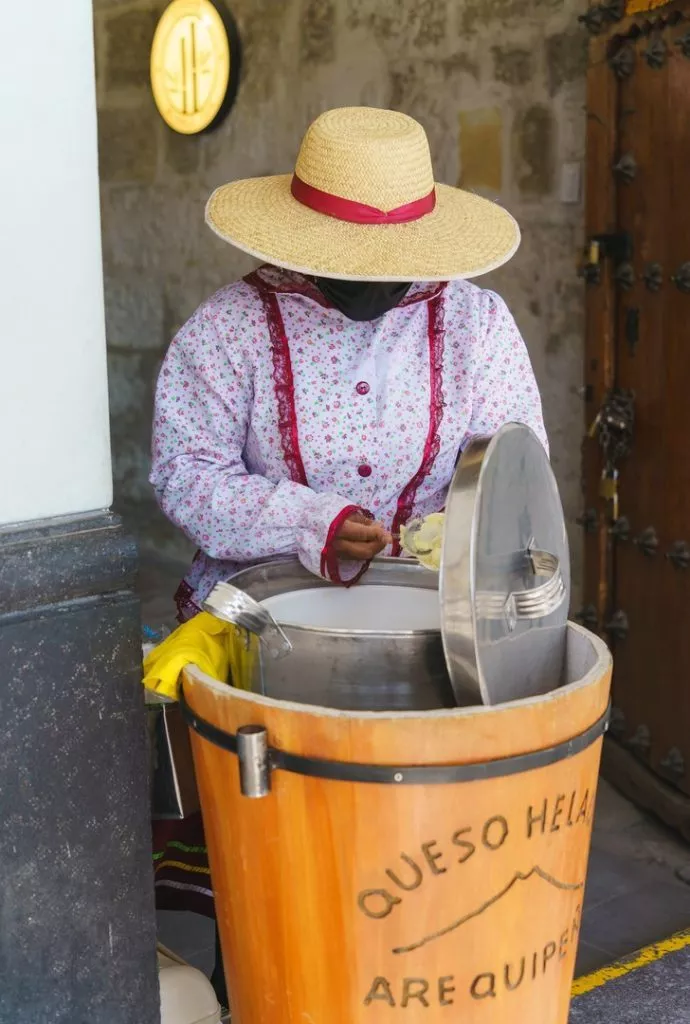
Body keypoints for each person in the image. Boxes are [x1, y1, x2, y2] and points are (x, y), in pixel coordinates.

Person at [149, 106, 547, 1006]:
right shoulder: (229, 331)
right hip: (265, 639)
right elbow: (183, 477)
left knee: (411, 881)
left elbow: (520, 473)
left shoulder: (476, 326)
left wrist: (457, 531)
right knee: (277, 881)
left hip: (435, 645)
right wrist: (307, 522)